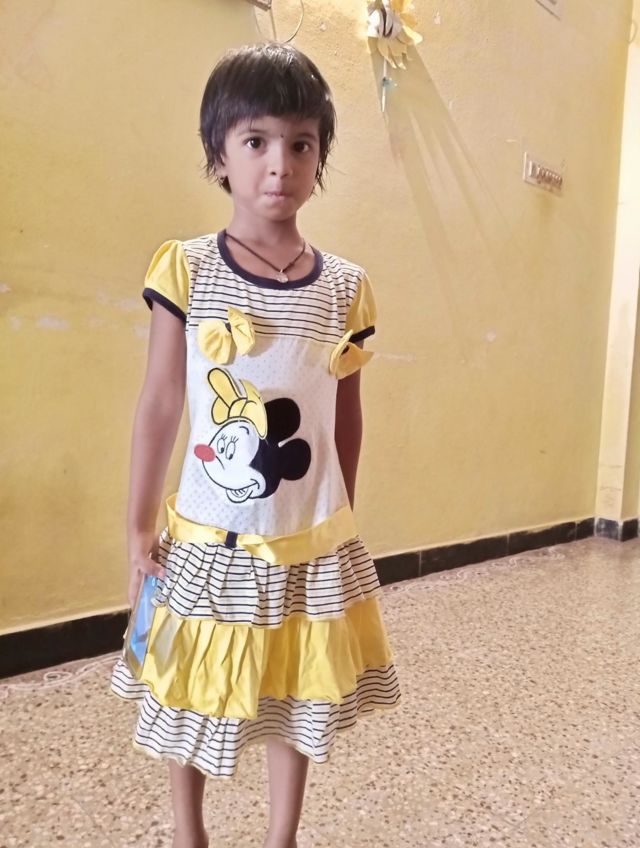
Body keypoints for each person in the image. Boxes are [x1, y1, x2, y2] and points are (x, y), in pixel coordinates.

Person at [110, 42, 401, 848]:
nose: (280, 164)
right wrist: (137, 527)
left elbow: (344, 416)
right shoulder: (189, 269)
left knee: (295, 687)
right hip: (210, 543)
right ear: (220, 156)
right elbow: (161, 403)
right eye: (257, 141)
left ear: (320, 159)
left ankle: (282, 834)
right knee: (189, 687)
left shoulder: (345, 287)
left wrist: (343, 513)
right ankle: (189, 831)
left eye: (301, 144)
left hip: (307, 542)